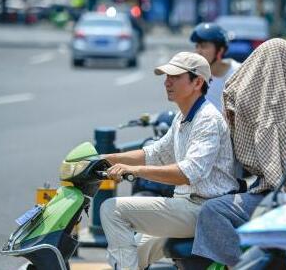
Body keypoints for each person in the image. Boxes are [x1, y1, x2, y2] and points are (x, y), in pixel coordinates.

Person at [191, 38, 286, 267]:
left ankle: (246, 264)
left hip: (278, 195)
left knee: (212, 210)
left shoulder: (272, 112)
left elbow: (273, 166)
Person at [100, 52, 238, 270]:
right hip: (186, 205)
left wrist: (134, 171)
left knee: (112, 209)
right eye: (166, 76)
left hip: (203, 209)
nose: (167, 82)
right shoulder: (182, 116)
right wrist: (105, 159)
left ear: (197, 82)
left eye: (175, 76)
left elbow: (188, 172)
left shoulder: (207, 119)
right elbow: (154, 153)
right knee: (127, 257)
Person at [190, 22, 241, 112]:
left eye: (204, 46)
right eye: (197, 46)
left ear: (220, 50)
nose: (198, 51)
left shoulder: (237, 73)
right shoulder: (194, 73)